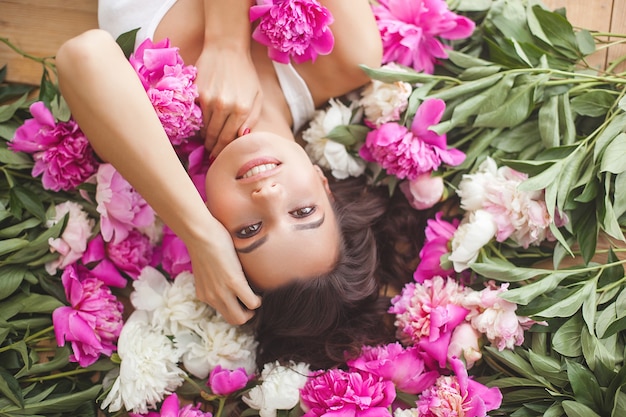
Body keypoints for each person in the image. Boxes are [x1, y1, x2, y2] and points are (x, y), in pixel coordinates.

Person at [56, 0, 423, 369]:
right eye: (303, 211)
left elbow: (83, 55)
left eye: (250, 229)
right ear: (323, 182)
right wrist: (226, 45)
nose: (268, 196)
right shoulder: (347, 58)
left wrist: (197, 234)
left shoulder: (147, 126)